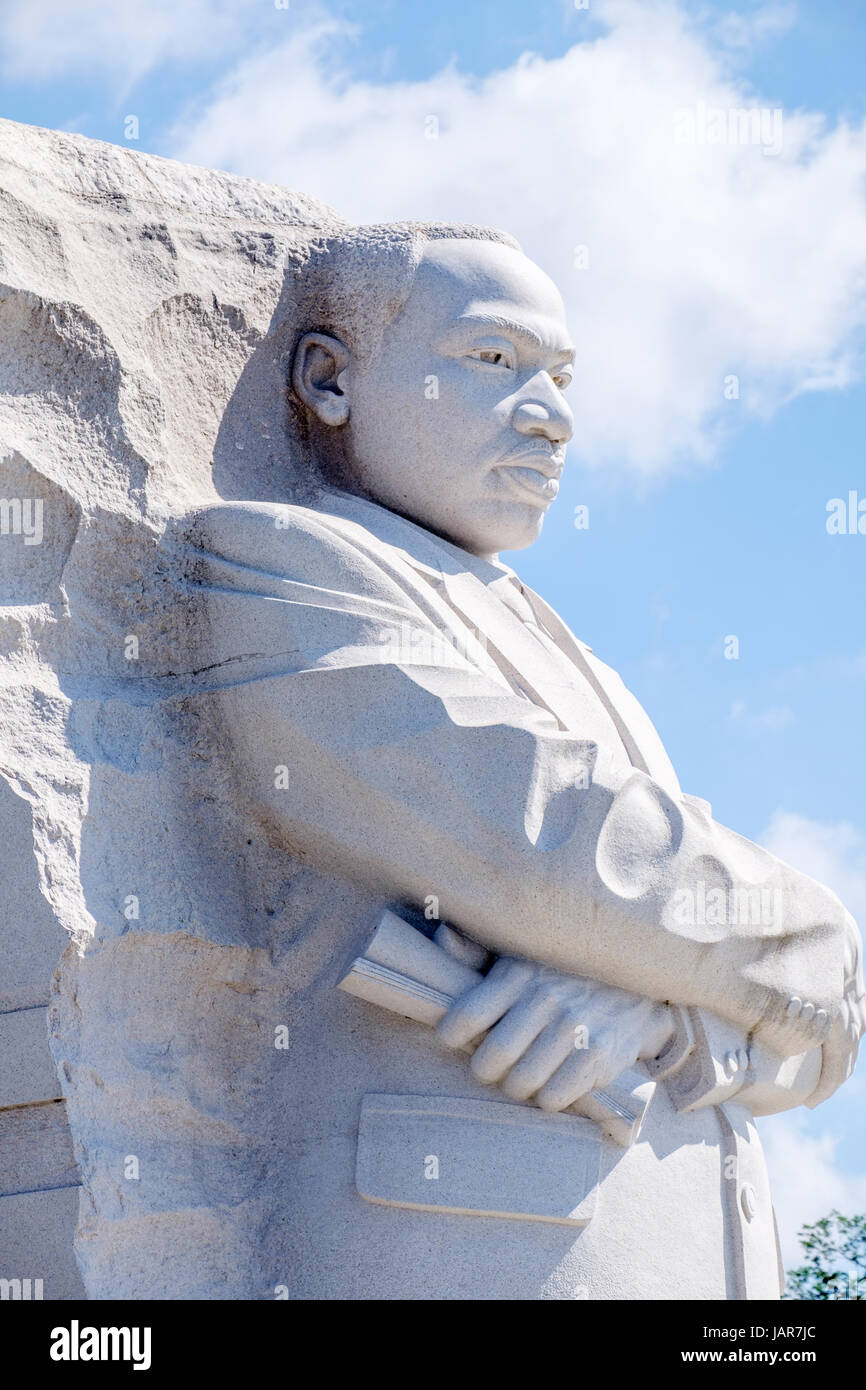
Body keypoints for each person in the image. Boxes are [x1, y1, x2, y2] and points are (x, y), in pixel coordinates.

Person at [187, 222, 863, 1299]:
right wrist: (814, 942)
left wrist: (658, 1011)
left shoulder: (590, 666)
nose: (551, 416)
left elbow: (794, 1025)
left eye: (559, 376)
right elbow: (554, 846)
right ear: (328, 380)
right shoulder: (280, 563)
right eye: (494, 362)